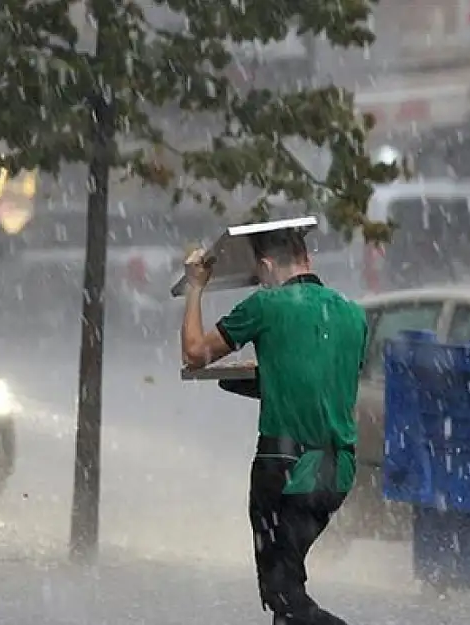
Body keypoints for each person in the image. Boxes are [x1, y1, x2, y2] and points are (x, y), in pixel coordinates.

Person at [180, 227, 367, 625]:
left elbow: (195, 352)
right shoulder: (353, 314)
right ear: (308, 260)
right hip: (338, 472)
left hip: (284, 467)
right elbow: (320, 384)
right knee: (286, 592)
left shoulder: (266, 305)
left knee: (281, 592)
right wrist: (270, 376)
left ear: (265, 267)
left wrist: (197, 286)